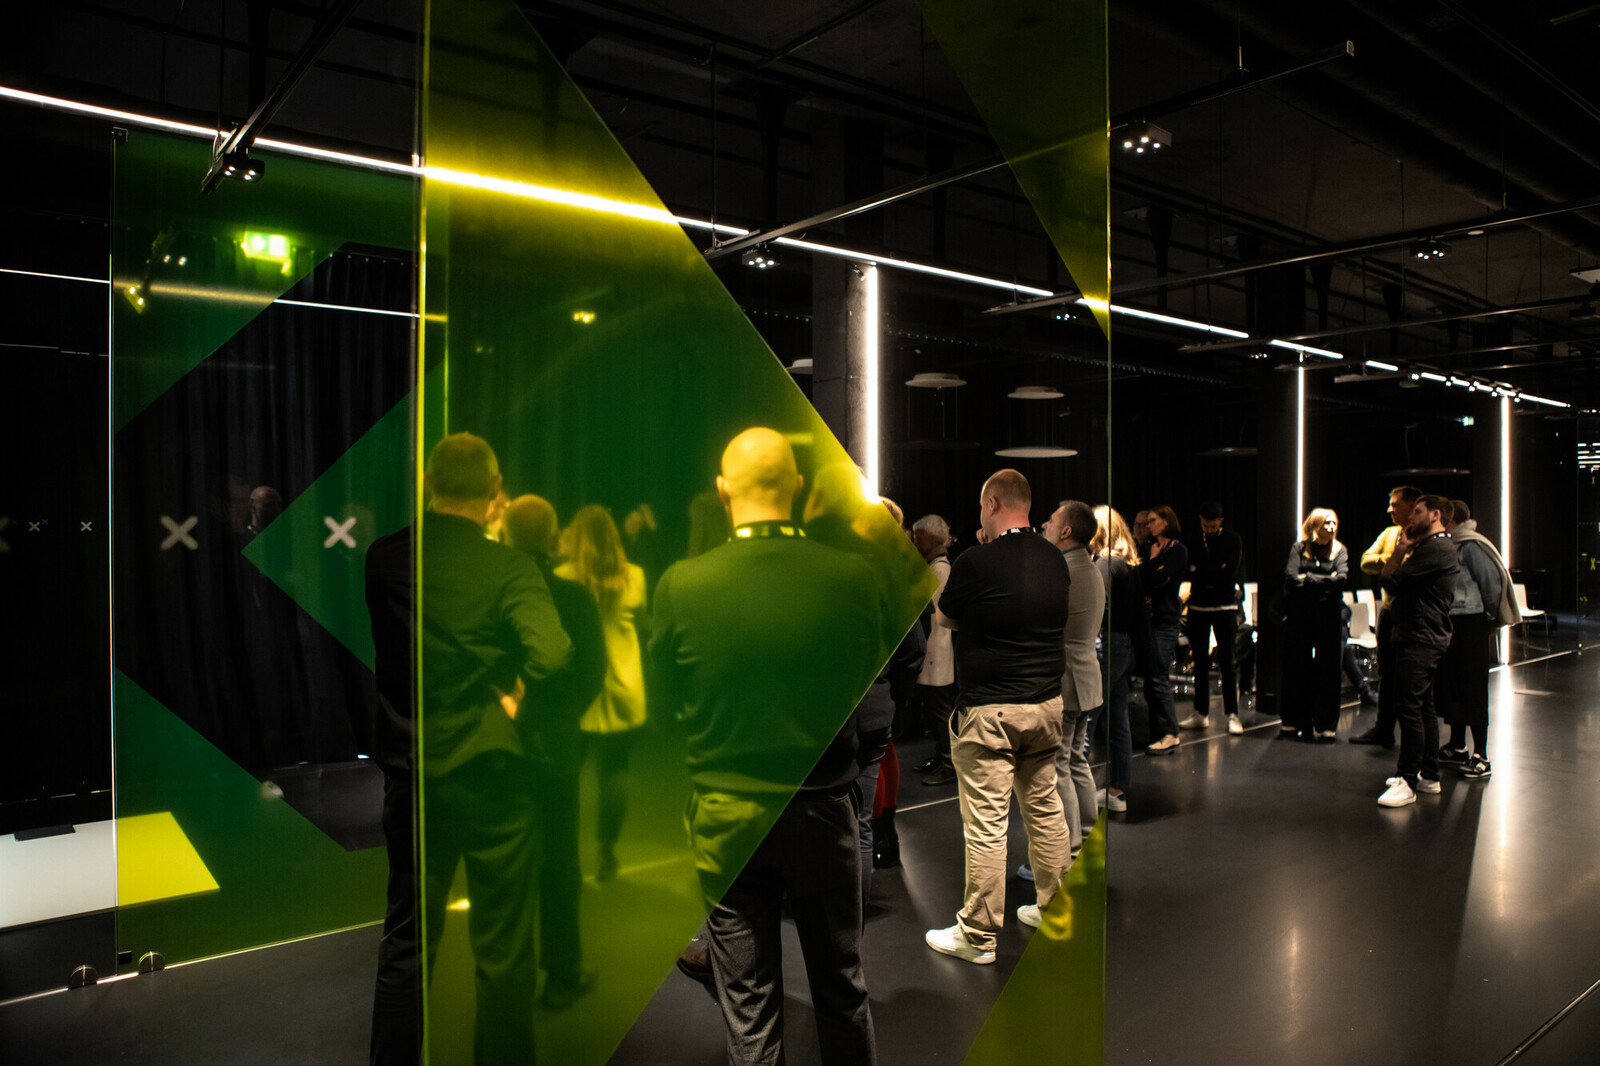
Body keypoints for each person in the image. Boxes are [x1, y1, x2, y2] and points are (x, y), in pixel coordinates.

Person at [650, 427, 884, 1066]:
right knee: (841, 986)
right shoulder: (852, 577)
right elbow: (865, 678)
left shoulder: (682, 584)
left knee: (748, 1004)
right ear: (797, 487)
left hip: (725, 810)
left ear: (723, 491)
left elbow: (663, 704)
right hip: (822, 806)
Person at [365, 433, 572, 1065]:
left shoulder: (385, 559)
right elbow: (553, 654)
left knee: (407, 941)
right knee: (503, 953)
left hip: (413, 776)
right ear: (495, 489)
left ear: (428, 484)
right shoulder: (509, 567)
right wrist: (512, 695)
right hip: (492, 774)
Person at [924, 469, 1070, 964]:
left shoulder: (975, 560)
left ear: (991, 504)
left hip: (991, 710)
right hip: (1046, 705)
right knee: (1045, 810)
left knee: (987, 824)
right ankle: (1055, 910)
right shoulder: (1054, 558)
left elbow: (945, 617)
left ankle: (978, 935)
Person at [502, 494, 608, 1009]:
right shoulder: (572, 595)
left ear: (505, 536)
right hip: (559, 743)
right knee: (560, 862)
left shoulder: (493, 592)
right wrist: (564, 715)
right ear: (552, 538)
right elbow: (593, 669)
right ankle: (562, 974)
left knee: (504, 867)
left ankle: (506, 979)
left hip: (501, 746)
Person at [556, 504, 648, 883]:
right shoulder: (635, 577)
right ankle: (606, 853)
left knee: (567, 773)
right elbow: (644, 623)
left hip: (578, 688)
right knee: (615, 770)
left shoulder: (563, 577)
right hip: (624, 686)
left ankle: (563, 853)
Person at [1376, 495, 1460, 807]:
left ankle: (1408, 780)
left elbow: (1390, 581)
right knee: (1423, 708)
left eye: (1418, 511)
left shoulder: (1435, 549)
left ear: (1435, 514)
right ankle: (1429, 775)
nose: (1411, 516)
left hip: (1420, 638)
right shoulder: (1434, 547)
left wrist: (1399, 551)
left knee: (1408, 707)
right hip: (1422, 636)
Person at [1041, 499, 1104, 858]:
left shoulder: (1065, 570)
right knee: (1076, 759)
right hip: (1085, 678)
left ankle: (1070, 847)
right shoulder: (1087, 566)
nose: (1044, 526)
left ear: (1065, 530)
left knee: (1060, 765)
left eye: (1051, 521)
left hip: (1067, 680)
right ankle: (1087, 835)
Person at [1436, 500, 1515, 780]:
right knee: (1455, 684)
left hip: (1470, 621)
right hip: (1454, 621)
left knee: (1472, 686)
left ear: (1450, 518)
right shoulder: (1453, 543)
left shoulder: (1471, 544)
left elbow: (1490, 583)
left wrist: (1493, 618)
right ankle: (1458, 746)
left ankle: (1481, 755)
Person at [1351, 485, 1422, 747]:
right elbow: (1365, 561)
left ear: (1412, 506)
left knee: (1411, 677)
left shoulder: (1424, 535)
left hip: (1414, 615)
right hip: (1389, 613)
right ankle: (1384, 730)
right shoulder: (1390, 534)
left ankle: (1414, 737)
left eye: (1395, 504)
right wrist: (1394, 558)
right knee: (1387, 672)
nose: (1389, 509)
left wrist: (1392, 564)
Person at [1087, 505, 1144, 813]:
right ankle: (1117, 790)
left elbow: (1100, 607)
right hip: (1124, 646)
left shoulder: (1105, 564)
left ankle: (1077, 794)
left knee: (1088, 718)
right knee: (1118, 720)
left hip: (1106, 644)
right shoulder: (1128, 564)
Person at [1279, 508, 1348, 742]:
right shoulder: (1299, 548)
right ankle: (1294, 720)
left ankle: (1325, 724)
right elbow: (1290, 578)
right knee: (1296, 665)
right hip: (1300, 613)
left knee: (1328, 668)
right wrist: (1325, 581)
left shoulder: (1340, 550)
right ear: (1315, 525)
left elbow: (1341, 580)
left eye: (1334, 523)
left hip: (1328, 613)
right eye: (1327, 523)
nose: (1332, 527)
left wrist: (1307, 578)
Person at [1178, 501, 1244, 734]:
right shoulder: (1194, 541)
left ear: (1220, 521)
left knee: (1227, 662)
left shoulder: (1232, 540)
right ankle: (1200, 712)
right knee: (1200, 663)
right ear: (1200, 521)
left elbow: (1230, 573)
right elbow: (1189, 571)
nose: (1208, 529)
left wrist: (1202, 571)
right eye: (1205, 526)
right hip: (1198, 607)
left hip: (1225, 607)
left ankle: (1232, 714)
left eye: (1213, 526)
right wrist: (1214, 571)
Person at [910, 514, 959, 784]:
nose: (914, 542)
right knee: (934, 710)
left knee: (940, 712)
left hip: (935, 651)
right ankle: (941, 756)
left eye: (918, 537)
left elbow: (929, 615)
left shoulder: (939, 570)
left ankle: (949, 763)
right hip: (934, 650)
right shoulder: (936, 568)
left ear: (930, 538)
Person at [1140, 505, 1186, 755]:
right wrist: (1153, 567)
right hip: (1149, 620)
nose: (1149, 525)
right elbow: (1146, 579)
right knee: (1150, 678)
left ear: (1166, 521)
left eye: (1153, 520)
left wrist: (1154, 564)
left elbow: (1158, 578)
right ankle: (1158, 730)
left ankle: (1170, 732)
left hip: (1166, 620)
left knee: (1158, 676)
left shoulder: (1177, 550)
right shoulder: (1150, 547)